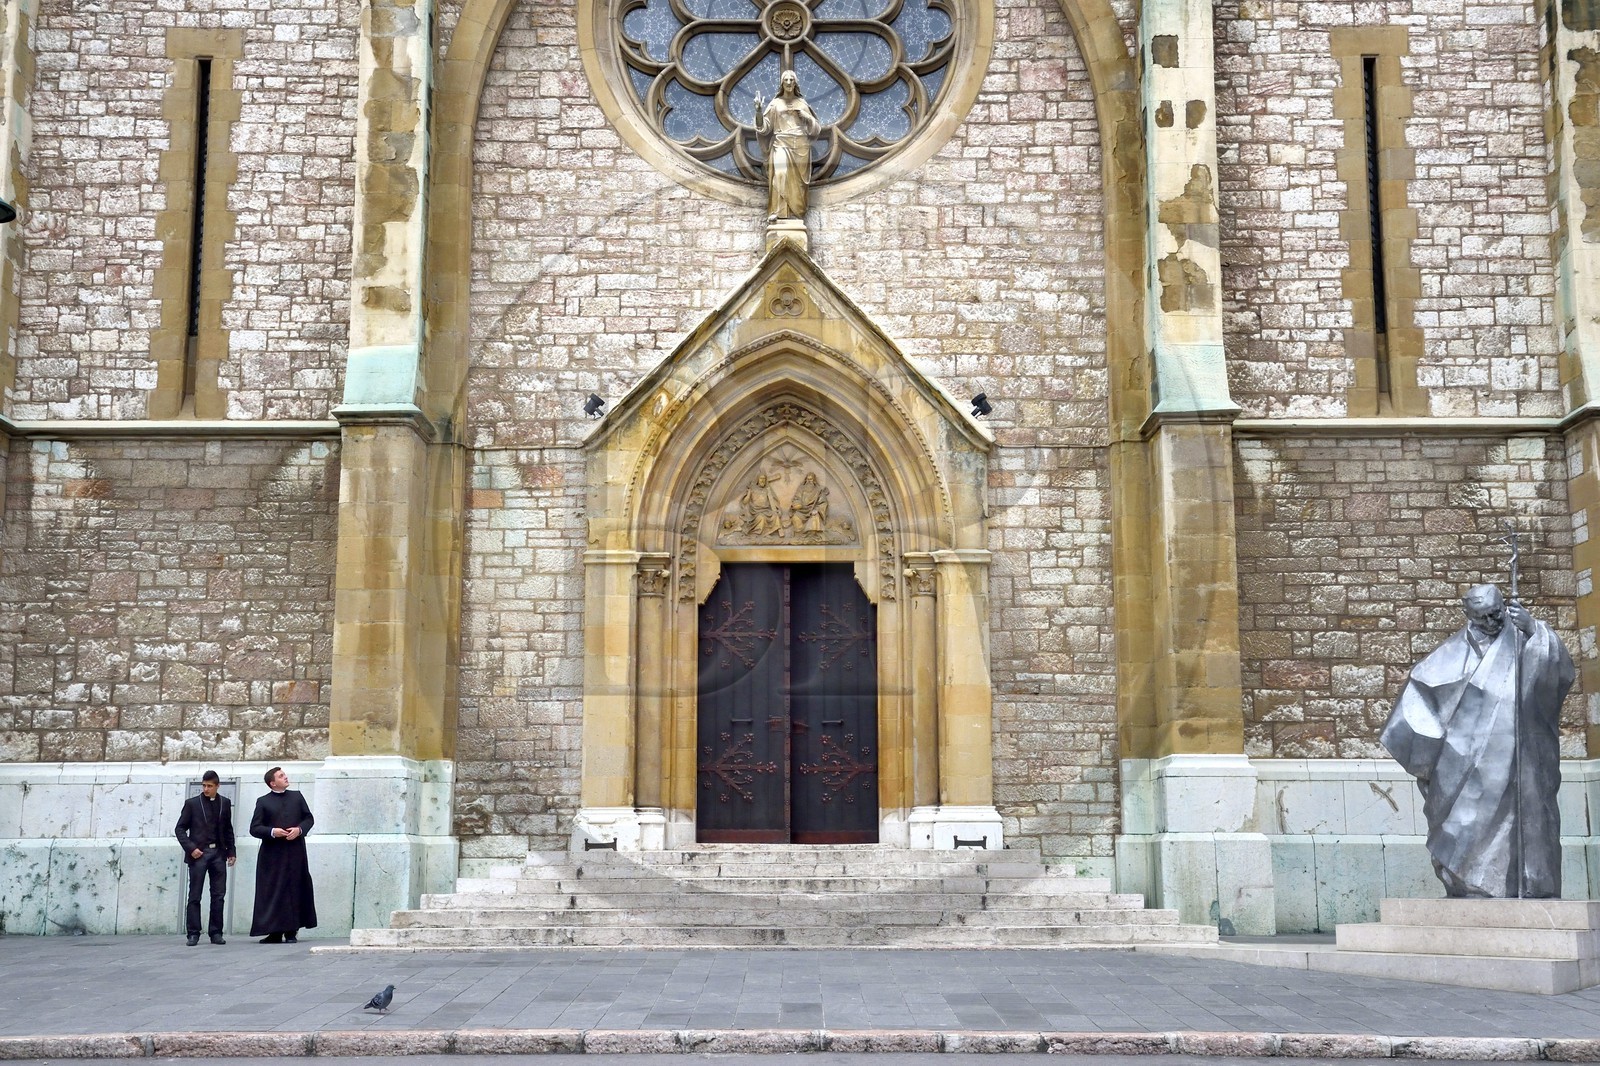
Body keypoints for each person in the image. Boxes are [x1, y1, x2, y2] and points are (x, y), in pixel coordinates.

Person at [1381, 584, 1574, 898]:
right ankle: (1467, 883)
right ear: (1468, 616)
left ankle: (1526, 884)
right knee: (1464, 828)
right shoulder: (1454, 652)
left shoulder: (1524, 637)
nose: (1493, 622)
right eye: (1483, 617)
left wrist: (1534, 629)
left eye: (1497, 613)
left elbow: (1558, 673)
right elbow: (1420, 691)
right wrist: (1430, 755)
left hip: (1521, 760)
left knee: (1521, 825)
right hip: (1464, 763)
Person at [248, 766, 318, 943]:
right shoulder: (263, 802)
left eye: (284, 774)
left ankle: (291, 931)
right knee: (273, 891)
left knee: (294, 889)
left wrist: (299, 829)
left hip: (295, 853)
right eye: (281, 776)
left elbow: (309, 818)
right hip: (272, 855)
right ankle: (274, 932)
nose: (285, 777)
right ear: (273, 783)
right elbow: (255, 828)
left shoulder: (297, 796)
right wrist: (273, 831)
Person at [174, 769, 236, 946]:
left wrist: (231, 852)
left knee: (219, 895)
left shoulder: (225, 803)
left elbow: (228, 830)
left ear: (217, 786)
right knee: (195, 894)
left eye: (209, 786)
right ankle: (193, 933)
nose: (206, 789)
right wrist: (191, 848)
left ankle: (216, 932)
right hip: (199, 854)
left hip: (218, 854)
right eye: (204, 785)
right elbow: (180, 829)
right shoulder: (192, 804)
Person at [753, 70, 820, 222]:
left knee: (798, 185)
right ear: (782, 83)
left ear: (795, 83)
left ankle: (796, 213)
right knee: (780, 173)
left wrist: (807, 118)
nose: (789, 82)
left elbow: (815, 129)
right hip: (781, 143)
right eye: (786, 80)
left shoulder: (802, 104)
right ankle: (777, 211)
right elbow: (763, 128)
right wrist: (758, 111)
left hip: (800, 146)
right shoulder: (775, 104)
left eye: (791, 80)